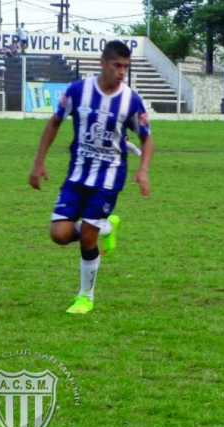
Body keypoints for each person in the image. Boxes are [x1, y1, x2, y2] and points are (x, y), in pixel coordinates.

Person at [27, 41, 155, 315]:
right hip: (77, 175)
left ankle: (85, 296)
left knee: (87, 236)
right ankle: (106, 228)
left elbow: (147, 137)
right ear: (103, 62)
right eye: (116, 65)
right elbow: (54, 122)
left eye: (126, 67)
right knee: (59, 235)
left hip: (109, 178)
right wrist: (38, 163)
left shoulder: (130, 100)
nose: (122, 72)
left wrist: (143, 170)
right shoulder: (78, 90)